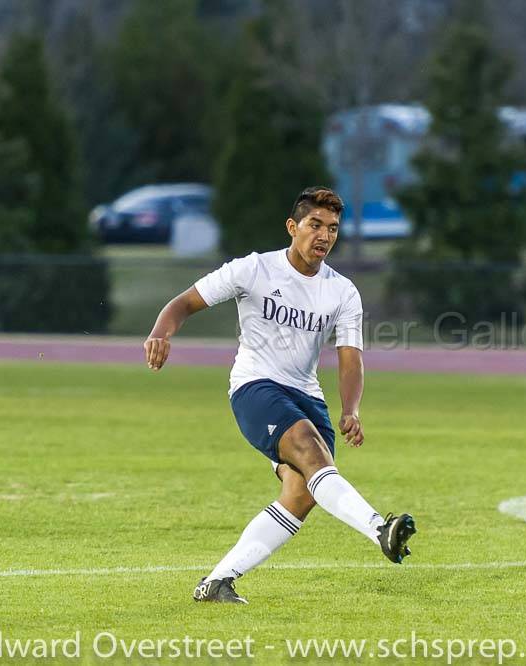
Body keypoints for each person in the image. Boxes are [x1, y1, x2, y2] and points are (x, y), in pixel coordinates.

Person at [144, 186, 416, 604]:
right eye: (315, 225)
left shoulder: (342, 291)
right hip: (255, 387)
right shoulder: (253, 270)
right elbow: (184, 303)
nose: (324, 236)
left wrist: (352, 409)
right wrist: (161, 332)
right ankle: (380, 529)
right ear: (293, 227)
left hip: (308, 397)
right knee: (309, 449)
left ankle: (217, 582)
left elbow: (350, 358)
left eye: (333, 228)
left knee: (302, 492)